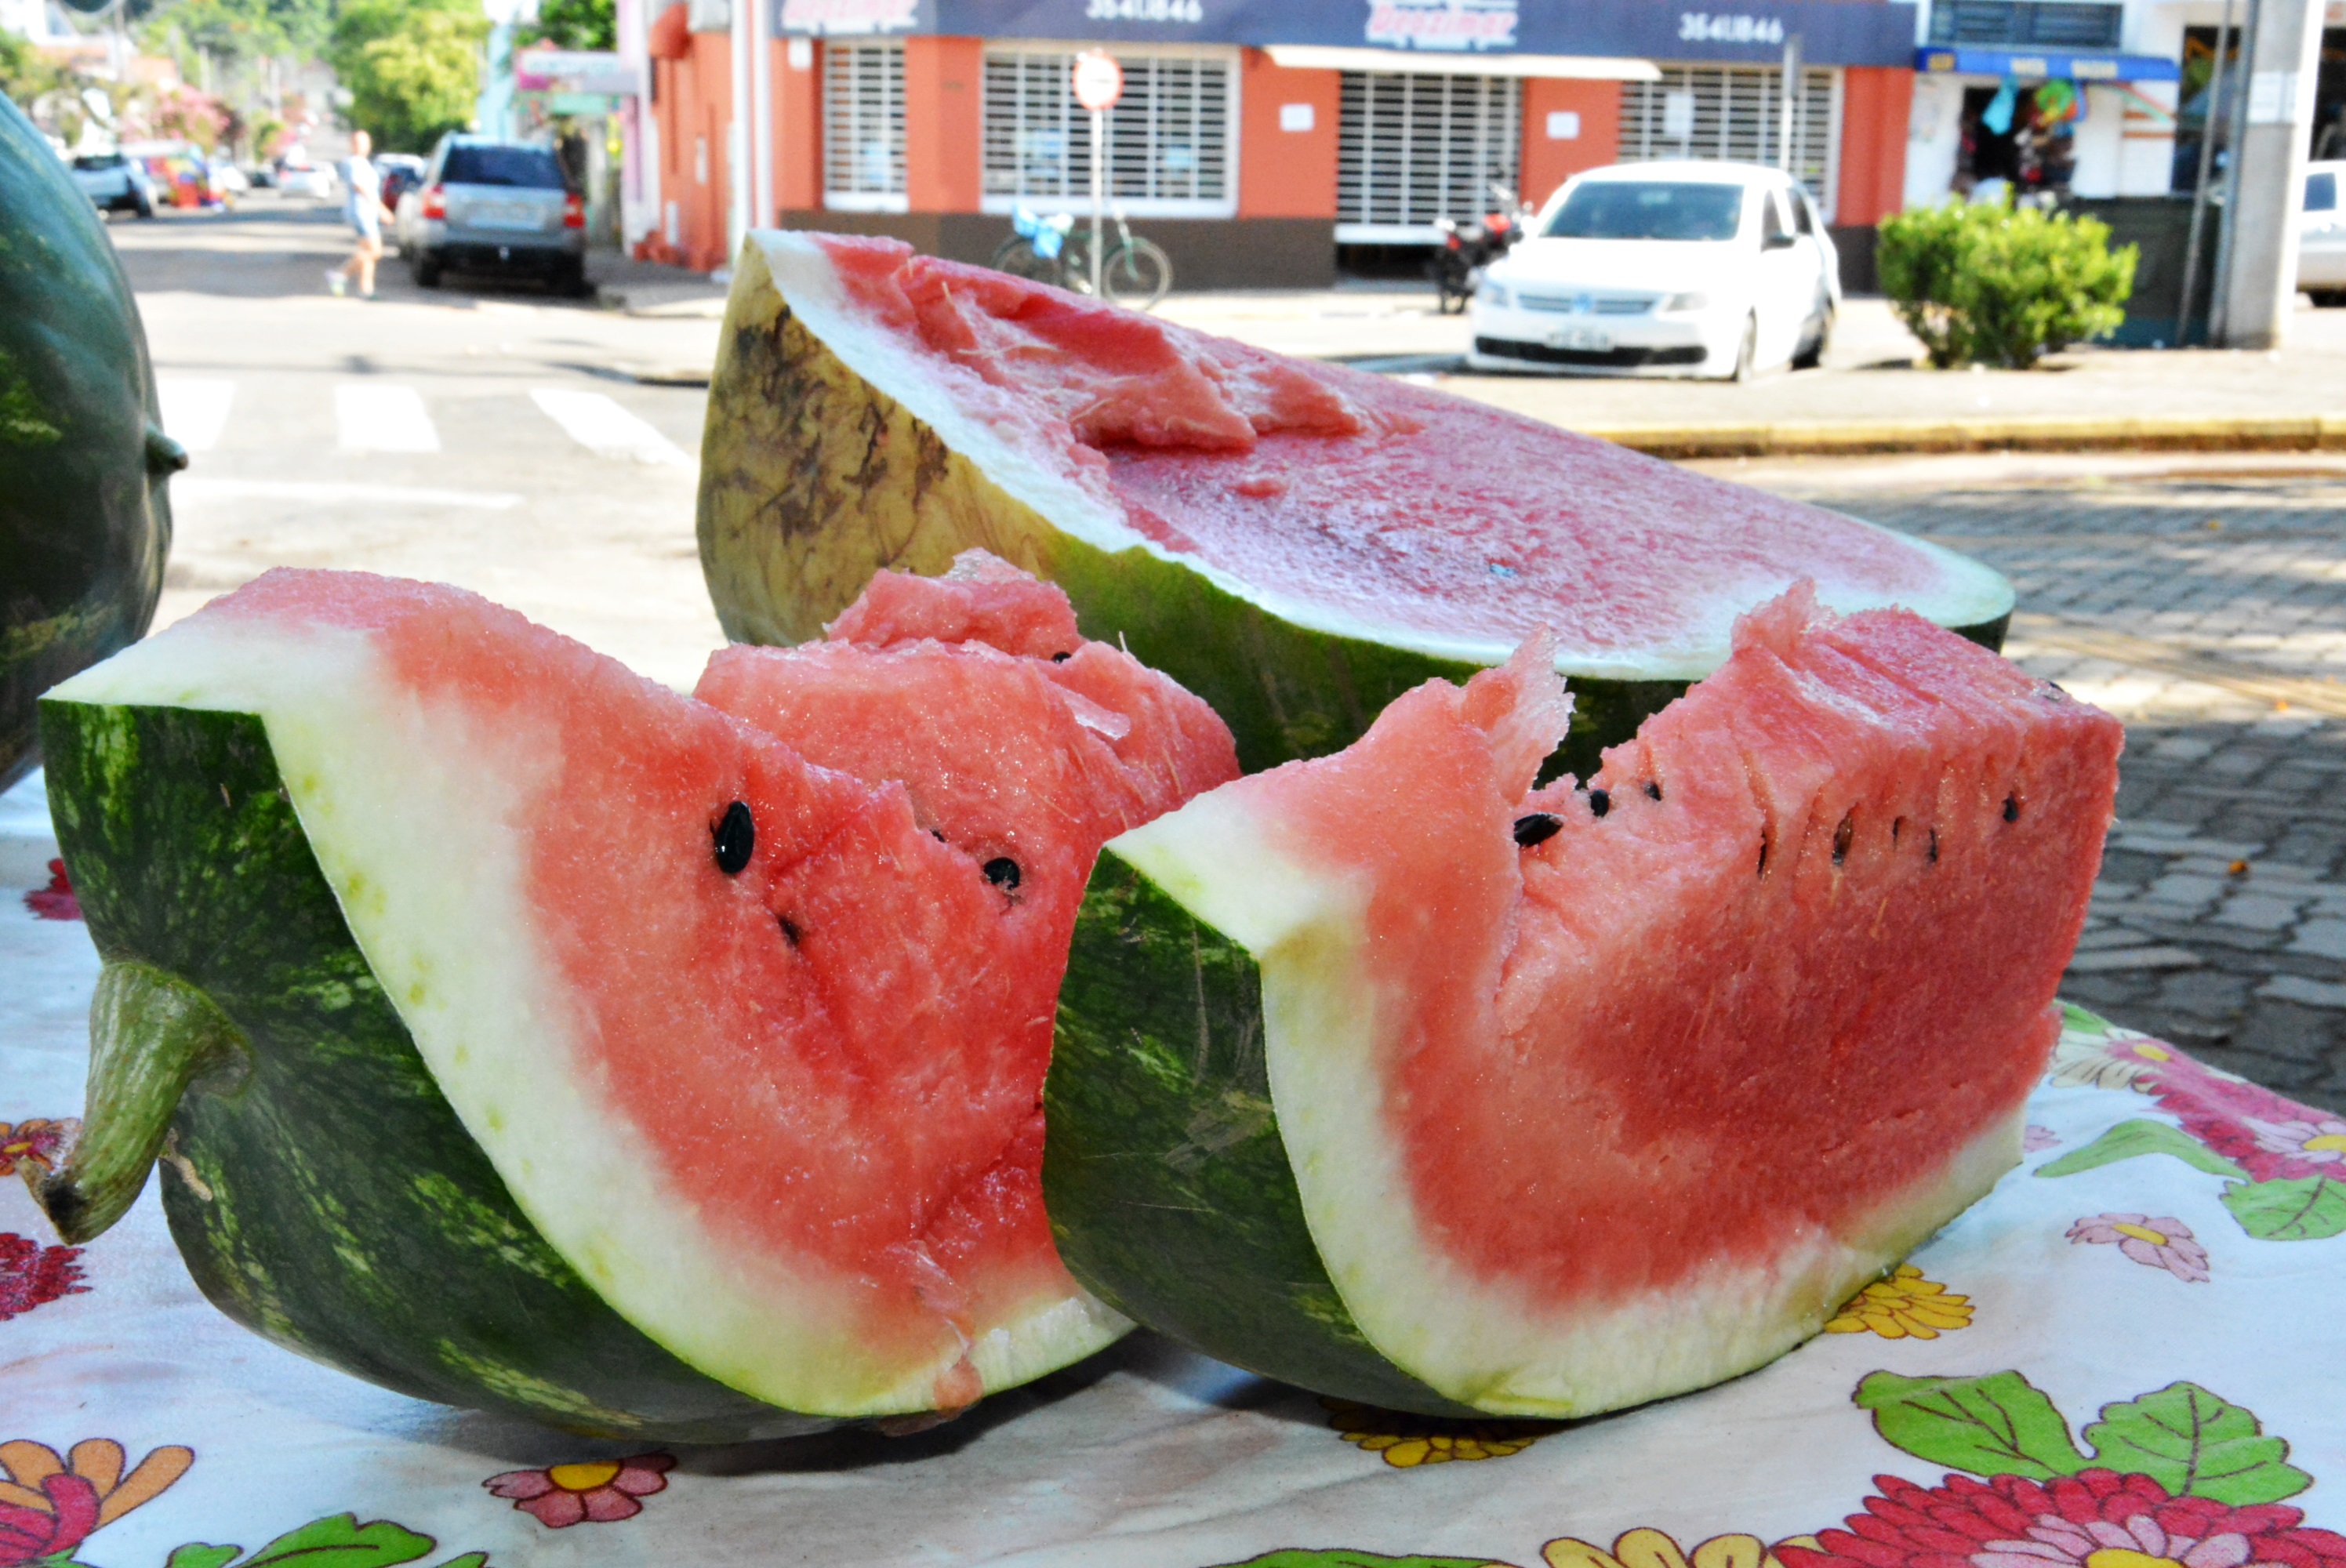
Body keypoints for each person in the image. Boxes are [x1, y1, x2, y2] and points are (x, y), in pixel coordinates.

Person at [326, 130, 394, 299]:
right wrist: (381, 209)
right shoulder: (353, 163)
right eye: (356, 142)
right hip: (361, 211)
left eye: (363, 142)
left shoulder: (364, 163)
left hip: (367, 212)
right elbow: (360, 187)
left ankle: (366, 290)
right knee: (375, 251)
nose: (360, 146)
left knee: (366, 251)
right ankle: (340, 274)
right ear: (351, 144)